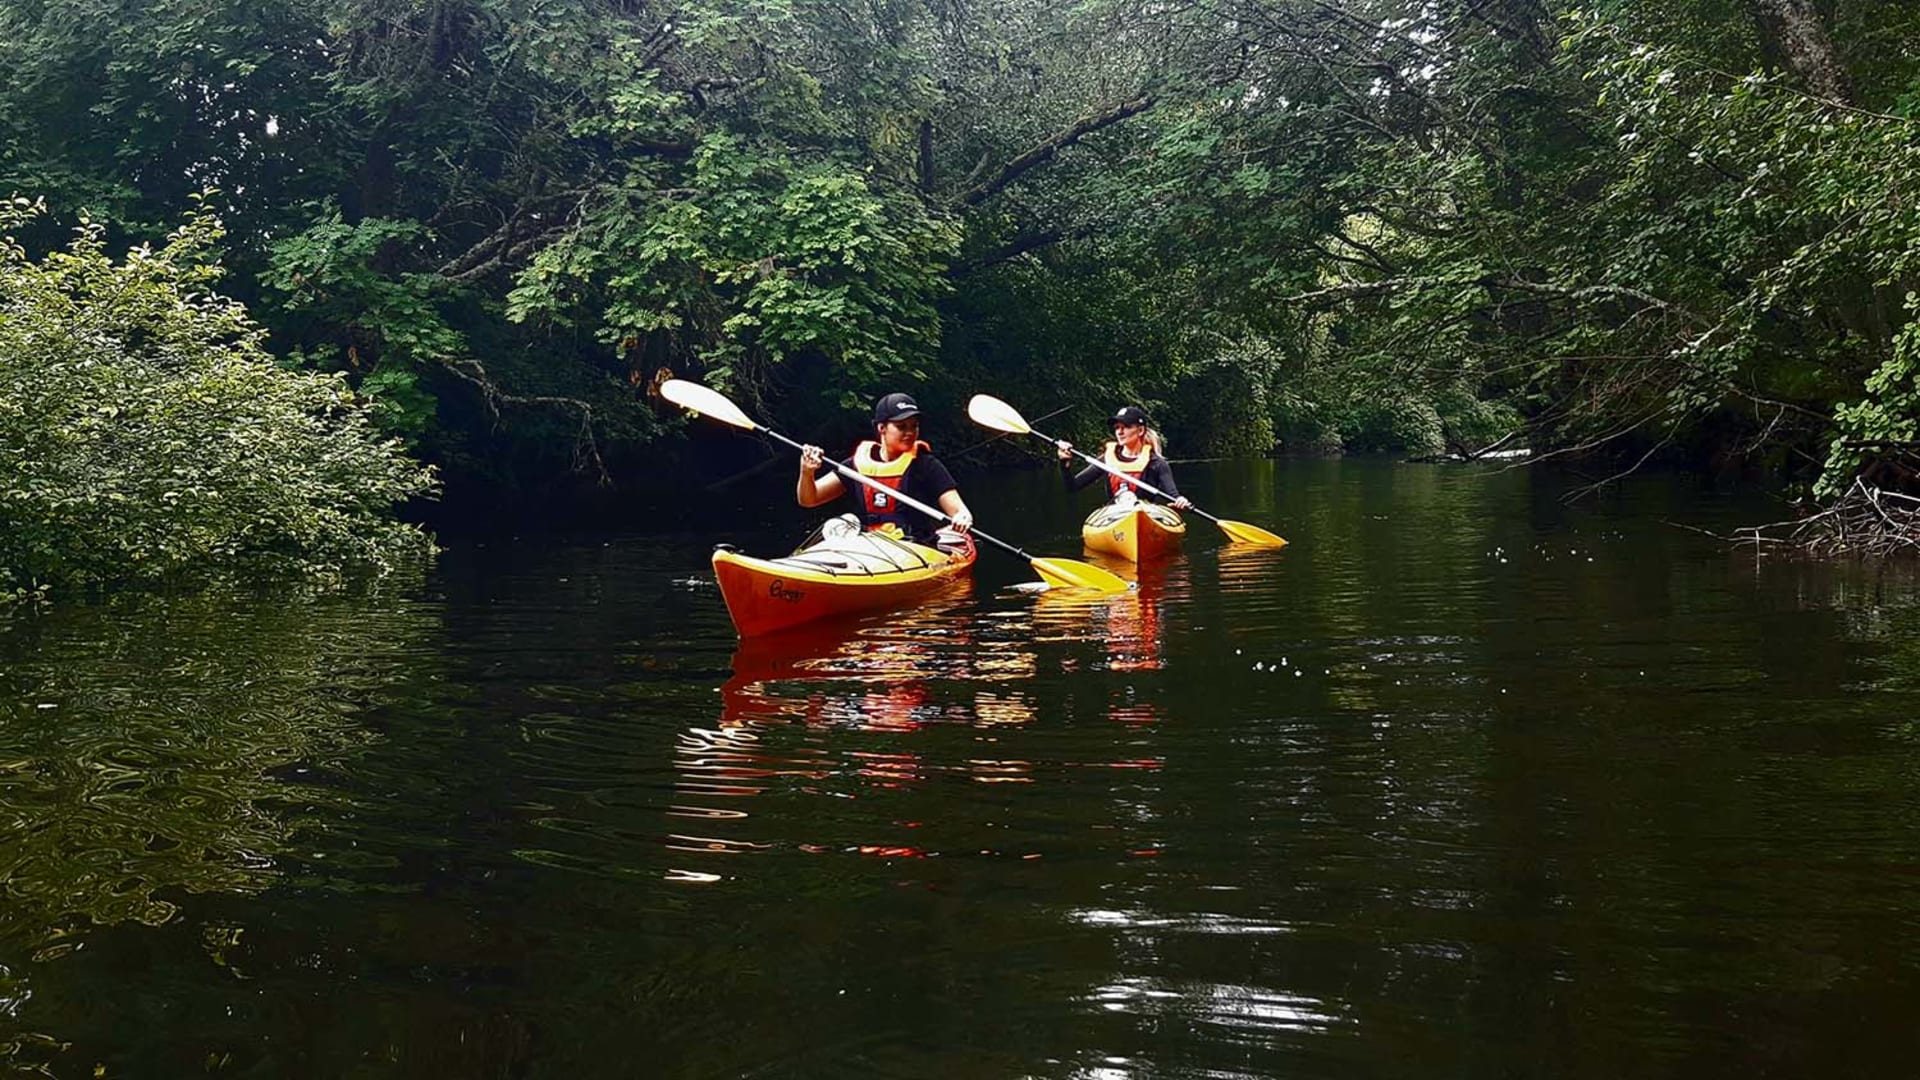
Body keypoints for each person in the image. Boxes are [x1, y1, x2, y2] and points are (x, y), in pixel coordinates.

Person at [797, 392, 975, 545]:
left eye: (914, 426)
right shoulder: (855, 465)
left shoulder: (927, 466)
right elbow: (809, 499)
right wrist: (807, 472)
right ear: (881, 428)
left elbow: (961, 511)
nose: (910, 432)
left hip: (916, 548)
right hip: (869, 547)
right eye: (901, 427)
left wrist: (962, 519)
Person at [1058, 405, 1192, 510]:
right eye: (1117, 428)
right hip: (1115, 513)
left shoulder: (1157, 463)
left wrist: (1180, 501)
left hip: (1146, 512)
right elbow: (1072, 487)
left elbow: (1173, 495)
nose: (1119, 432)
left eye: (1126, 427)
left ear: (1140, 430)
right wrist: (1064, 464)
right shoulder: (1106, 459)